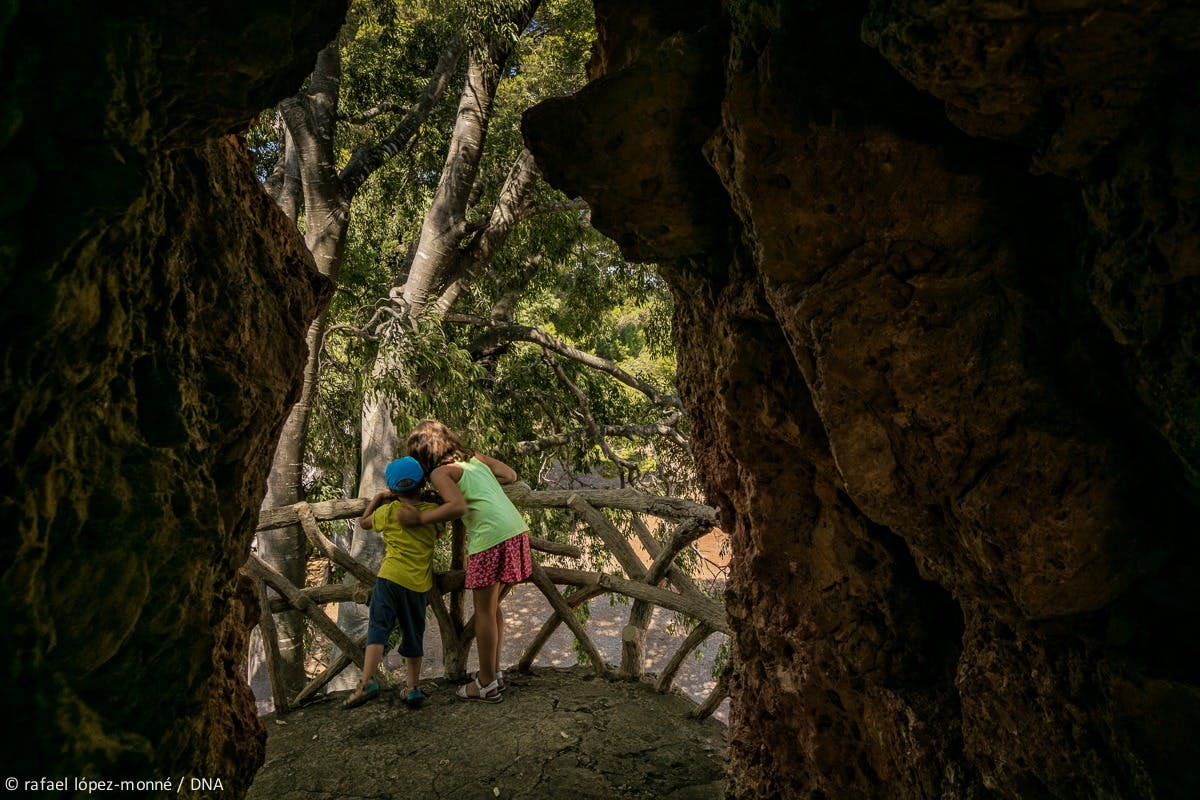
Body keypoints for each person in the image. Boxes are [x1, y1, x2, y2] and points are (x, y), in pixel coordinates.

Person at [398, 420, 532, 703]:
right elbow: (510, 474)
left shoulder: (440, 473)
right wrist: (482, 487)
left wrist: (419, 517)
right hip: (515, 530)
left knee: (483, 611)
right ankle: (493, 673)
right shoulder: (475, 460)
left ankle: (484, 683)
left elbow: (456, 506)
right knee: (492, 608)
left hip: (489, 538)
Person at [342, 456, 444, 710]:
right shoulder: (433, 515)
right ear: (422, 484)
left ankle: (367, 681)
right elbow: (442, 529)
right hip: (417, 586)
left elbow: (364, 523)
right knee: (413, 634)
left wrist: (376, 500)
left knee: (379, 626)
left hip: (389, 578)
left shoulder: (389, 511)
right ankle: (412, 689)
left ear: (393, 490)